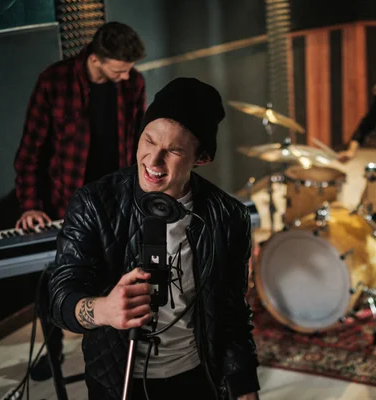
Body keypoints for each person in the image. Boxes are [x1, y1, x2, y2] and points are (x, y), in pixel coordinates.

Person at [47, 77, 260, 400]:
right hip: (117, 381)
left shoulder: (228, 217)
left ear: (201, 157)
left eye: (173, 151)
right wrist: (104, 310)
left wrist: (244, 387)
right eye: (148, 141)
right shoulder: (94, 202)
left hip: (197, 378)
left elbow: (231, 315)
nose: (153, 162)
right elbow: (60, 296)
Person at [13, 21, 146, 380]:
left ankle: (120, 351)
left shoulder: (133, 84)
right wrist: (30, 204)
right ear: (97, 58)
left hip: (115, 198)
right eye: (119, 68)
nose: (126, 76)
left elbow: (137, 143)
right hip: (65, 203)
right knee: (59, 282)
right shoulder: (53, 82)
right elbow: (30, 153)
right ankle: (53, 353)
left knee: (120, 276)